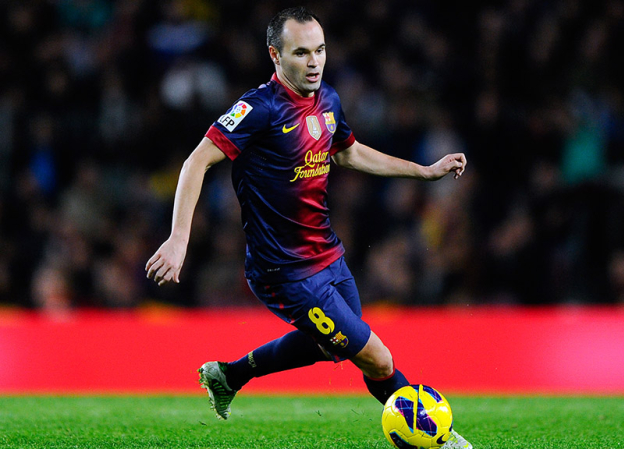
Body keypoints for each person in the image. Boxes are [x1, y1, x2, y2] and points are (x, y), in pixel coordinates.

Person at [144, 7, 472, 448]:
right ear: (275, 56)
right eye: (301, 52)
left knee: (337, 347)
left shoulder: (328, 100)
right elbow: (196, 160)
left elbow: (349, 153)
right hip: (284, 271)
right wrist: (178, 238)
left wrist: (424, 171)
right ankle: (439, 437)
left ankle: (230, 375)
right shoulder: (258, 108)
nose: (314, 61)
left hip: (328, 255)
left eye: (319, 50)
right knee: (378, 357)